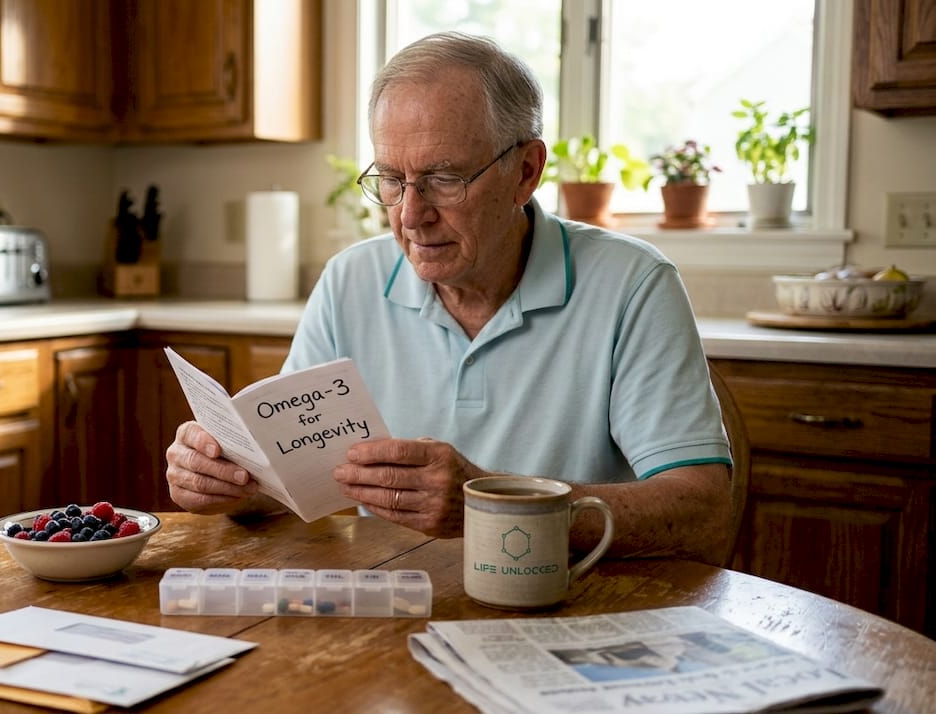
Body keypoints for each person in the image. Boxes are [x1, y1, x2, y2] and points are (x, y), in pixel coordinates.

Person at [164, 31, 733, 564]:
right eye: (391, 178)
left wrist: (492, 507)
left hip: (569, 605)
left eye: (444, 178)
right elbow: (296, 480)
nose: (411, 214)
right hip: (391, 606)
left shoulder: (632, 284)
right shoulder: (350, 281)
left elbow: (701, 509)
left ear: (526, 171)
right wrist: (230, 479)